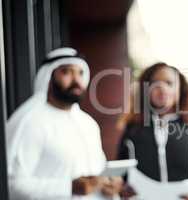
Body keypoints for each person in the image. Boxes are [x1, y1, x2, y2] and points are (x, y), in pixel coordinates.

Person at [6, 47, 123, 199]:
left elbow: (98, 173)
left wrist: (110, 184)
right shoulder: (30, 122)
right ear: (48, 78)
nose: (76, 80)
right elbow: (12, 185)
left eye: (80, 73)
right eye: (67, 72)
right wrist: (69, 187)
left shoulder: (88, 123)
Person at [117, 62, 188, 200]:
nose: (161, 88)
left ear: (181, 89)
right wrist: (121, 187)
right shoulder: (133, 128)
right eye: (154, 83)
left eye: (169, 83)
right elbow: (120, 172)